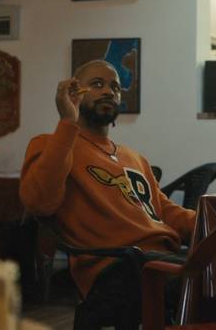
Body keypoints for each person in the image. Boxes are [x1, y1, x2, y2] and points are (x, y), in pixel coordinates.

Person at [19, 60, 195, 329]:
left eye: (115, 87)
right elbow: (39, 203)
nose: (109, 92)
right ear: (75, 92)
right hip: (117, 266)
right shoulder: (52, 144)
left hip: (160, 259)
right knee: (214, 281)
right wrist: (68, 121)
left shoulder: (134, 158)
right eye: (97, 84)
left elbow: (167, 212)